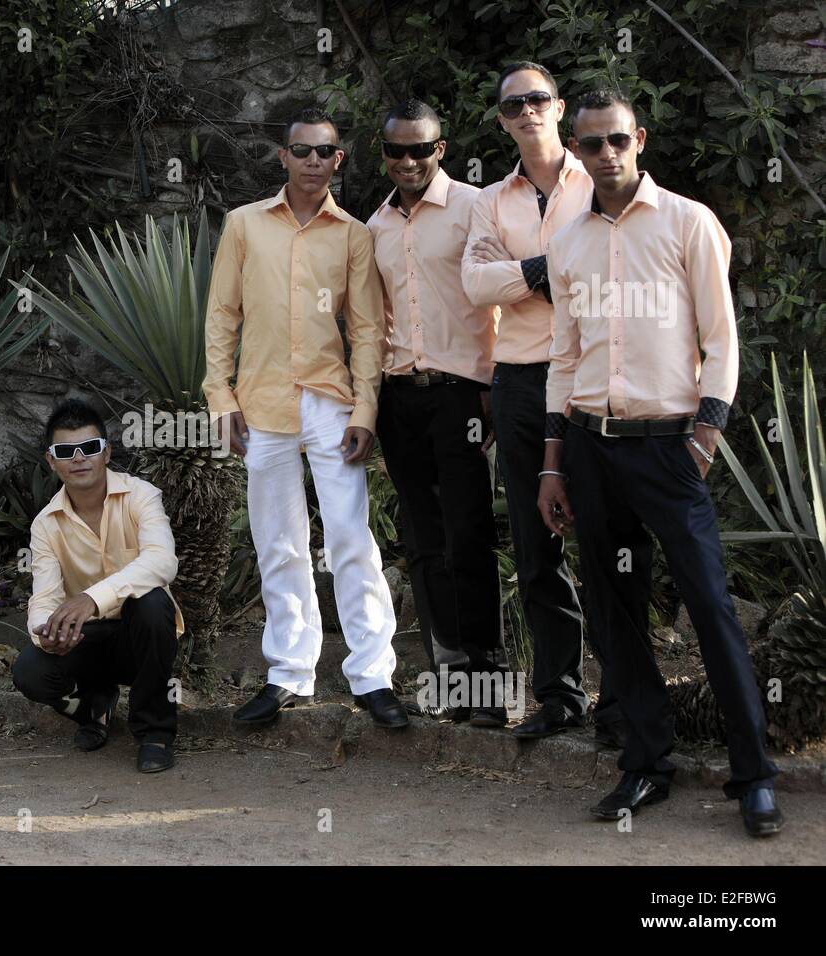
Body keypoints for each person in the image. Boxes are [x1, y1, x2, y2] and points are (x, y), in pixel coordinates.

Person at [540, 89, 781, 837]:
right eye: (590, 144)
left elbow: (721, 338)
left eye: (616, 139)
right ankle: (647, 763)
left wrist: (706, 434)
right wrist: (553, 462)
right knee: (615, 612)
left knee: (710, 605)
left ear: (638, 139)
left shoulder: (688, 222)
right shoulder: (569, 240)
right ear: (575, 151)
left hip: (670, 449)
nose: (605, 154)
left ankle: (755, 777)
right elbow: (564, 353)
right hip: (589, 449)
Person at [204, 107, 404, 729]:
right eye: (303, 151)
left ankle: (373, 678)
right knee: (278, 542)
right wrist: (220, 397)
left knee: (350, 537)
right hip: (260, 404)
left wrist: (365, 409)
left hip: (328, 402)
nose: (314, 161)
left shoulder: (353, 236)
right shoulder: (243, 226)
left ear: (338, 161)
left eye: (326, 152)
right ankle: (288, 672)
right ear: (283, 158)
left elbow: (369, 330)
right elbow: (221, 316)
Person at [461, 61, 615, 743]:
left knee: (612, 541)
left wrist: (527, 278)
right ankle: (559, 697)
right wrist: (542, 272)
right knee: (534, 546)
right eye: (514, 103)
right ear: (502, 119)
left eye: (539, 99)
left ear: (558, 108)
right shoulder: (493, 200)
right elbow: (475, 282)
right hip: (522, 378)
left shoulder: (600, 175)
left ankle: (625, 700)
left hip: (598, 372)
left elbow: (618, 265)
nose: (528, 110)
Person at [367, 98, 507, 725]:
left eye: (420, 149)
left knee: (470, 533)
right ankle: (450, 674)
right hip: (401, 397)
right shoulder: (373, 227)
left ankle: (489, 680)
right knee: (424, 540)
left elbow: (500, 298)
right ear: (384, 154)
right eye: (396, 150)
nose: (408, 161)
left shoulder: (477, 207)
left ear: (440, 150)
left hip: (463, 393)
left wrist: (495, 384)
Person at [11, 399, 182, 773]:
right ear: (51, 461)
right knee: (29, 669)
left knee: (151, 603)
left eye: (89, 448)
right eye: (66, 452)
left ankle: (155, 732)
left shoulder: (141, 496)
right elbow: (45, 596)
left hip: (141, 637)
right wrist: (46, 633)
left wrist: (92, 598)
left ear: (106, 452)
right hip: (86, 640)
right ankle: (95, 708)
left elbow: (162, 562)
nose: (79, 459)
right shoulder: (45, 525)